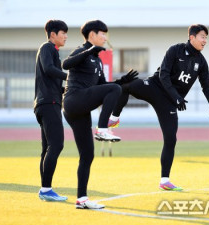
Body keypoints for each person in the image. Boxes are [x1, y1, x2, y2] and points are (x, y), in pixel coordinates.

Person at [108, 24, 209, 191]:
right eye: (202, 37)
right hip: (155, 87)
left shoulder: (201, 62)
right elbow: (163, 75)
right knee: (126, 85)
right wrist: (177, 96)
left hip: (169, 102)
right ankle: (114, 118)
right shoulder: (175, 50)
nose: (205, 40)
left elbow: (207, 85)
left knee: (171, 139)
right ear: (192, 37)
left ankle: (164, 180)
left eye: (206, 37)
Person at [62, 20, 136, 209]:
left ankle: (82, 199)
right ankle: (102, 129)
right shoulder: (82, 50)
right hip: (73, 100)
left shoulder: (98, 58)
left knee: (87, 155)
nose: (105, 37)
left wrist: (122, 82)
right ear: (92, 35)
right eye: (102, 34)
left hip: (80, 108)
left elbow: (104, 87)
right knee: (112, 90)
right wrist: (89, 51)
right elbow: (65, 64)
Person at [34, 19, 68, 202]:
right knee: (57, 145)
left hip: (46, 102)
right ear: (53, 34)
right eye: (63, 33)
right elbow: (49, 69)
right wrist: (70, 76)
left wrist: (68, 89)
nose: (66, 36)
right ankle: (46, 190)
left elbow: (53, 80)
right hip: (49, 103)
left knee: (47, 148)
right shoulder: (47, 48)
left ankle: (45, 189)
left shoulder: (52, 51)